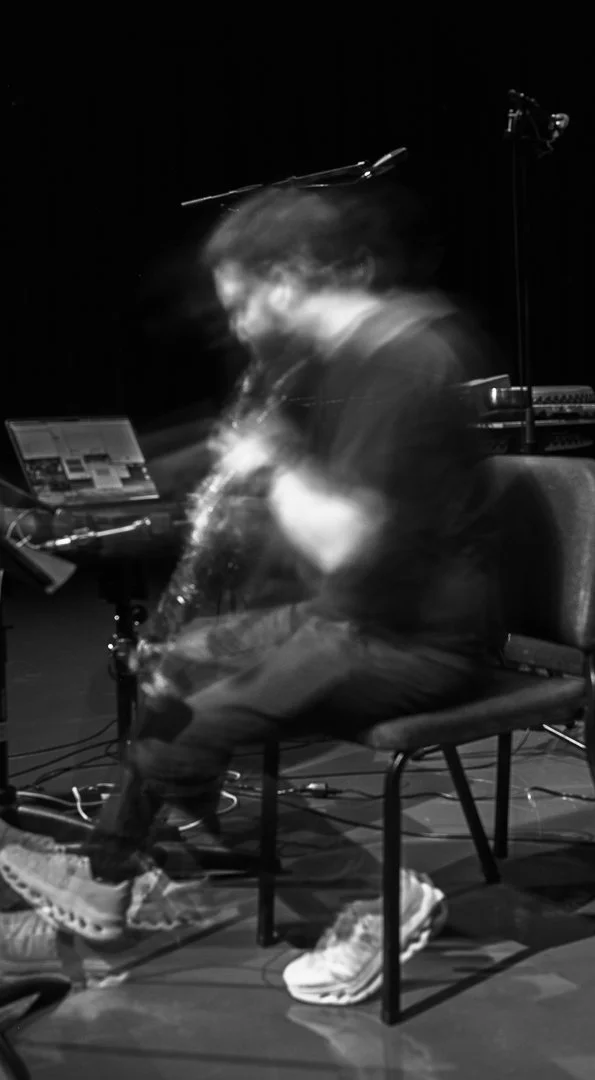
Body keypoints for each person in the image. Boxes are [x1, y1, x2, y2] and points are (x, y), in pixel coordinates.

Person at [0, 185, 506, 1005]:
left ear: (293, 276)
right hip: (355, 616)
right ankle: (113, 880)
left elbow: (344, 539)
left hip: (415, 641)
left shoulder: (406, 361)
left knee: (190, 724)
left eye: (241, 303)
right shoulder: (357, 357)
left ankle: (380, 903)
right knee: (175, 662)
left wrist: (274, 466)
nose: (236, 326)